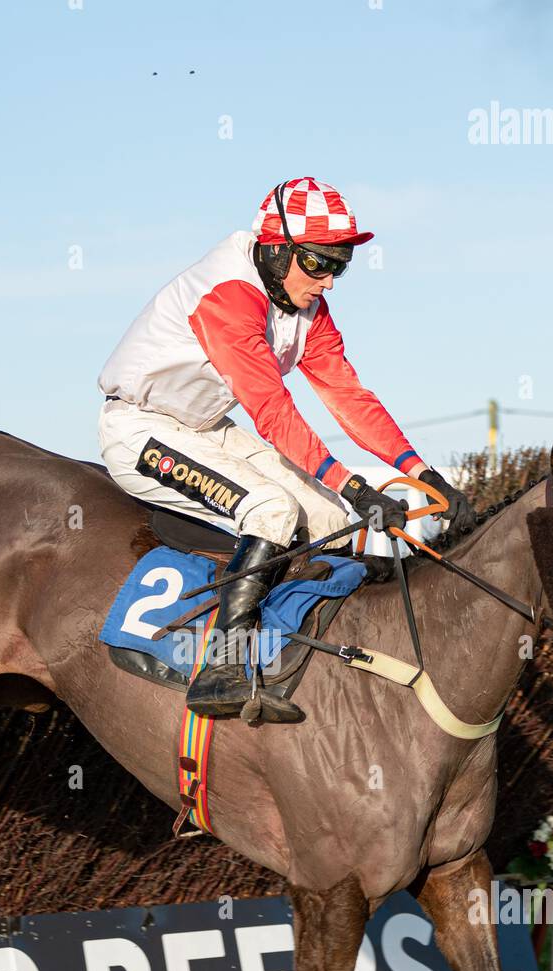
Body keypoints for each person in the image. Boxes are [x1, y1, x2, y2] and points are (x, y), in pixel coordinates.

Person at [96, 177, 476, 722]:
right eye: (319, 263)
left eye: (339, 265)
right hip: (139, 432)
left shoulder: (307, 308)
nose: (328, 280)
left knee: (326, 515)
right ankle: (220, 671)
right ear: (277, 250)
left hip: (204, 426)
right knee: (272, 510)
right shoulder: (228, 295)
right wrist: (356, 484)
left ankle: (305, 659)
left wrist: (424, 473)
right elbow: (272, 411)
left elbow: (347, 395)